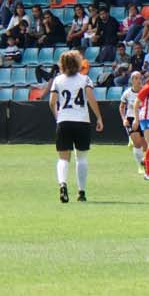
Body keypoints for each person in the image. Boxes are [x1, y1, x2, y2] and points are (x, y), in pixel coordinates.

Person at [47, 49, 104, 205]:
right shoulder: (85, 79)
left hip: (64, 121)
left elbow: (51, 102)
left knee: (63, 158)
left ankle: (63, 184)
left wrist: (57, 117)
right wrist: (99, 117)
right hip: (82, 121)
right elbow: (91, 99)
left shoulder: (58, 80)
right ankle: (81, 192)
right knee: (82, 158)